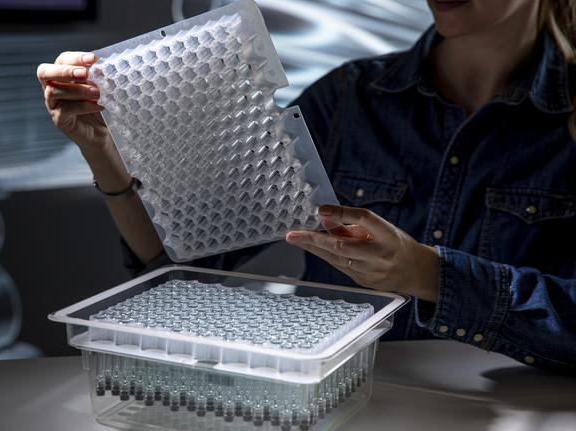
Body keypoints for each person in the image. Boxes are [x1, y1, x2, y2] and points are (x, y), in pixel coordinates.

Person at [37, 0, 576, 372]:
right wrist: (103, 152)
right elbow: (177, 261)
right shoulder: (349, 100)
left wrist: (428, 274)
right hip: (349, 404)